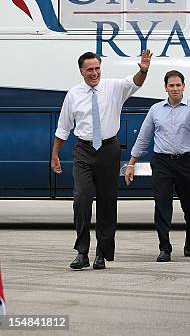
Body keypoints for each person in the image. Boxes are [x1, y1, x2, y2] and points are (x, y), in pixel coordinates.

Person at [51, 50, 151, 270]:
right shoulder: (73, 94)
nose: (94, 73)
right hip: (83, 150)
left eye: (97, 68)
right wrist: (55, 155)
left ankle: (101, 254)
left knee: (107, 202)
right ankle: (82, 252)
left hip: (108, 149)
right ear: (81, 71)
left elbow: (135, 82)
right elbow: (63, 127)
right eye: (90, 69)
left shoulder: (113, 87)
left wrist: (143, 69)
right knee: (82, 199)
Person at [124, 70, 190, 262]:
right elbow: (144, 137)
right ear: (165, 88)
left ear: (184, 86)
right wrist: (131, 164)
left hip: (185, 162)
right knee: (162, 204)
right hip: (162, 162)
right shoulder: (155, 109)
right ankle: (164, 247)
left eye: (179, 85)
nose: (175, 88)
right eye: (172, 85)